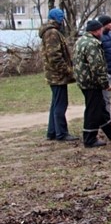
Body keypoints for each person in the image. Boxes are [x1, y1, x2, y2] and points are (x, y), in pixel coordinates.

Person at [74, 20, 111, 148]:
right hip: (91, 81)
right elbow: (97, 66)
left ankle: (110, 131)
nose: (102, 32)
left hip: (83, 79)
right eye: (101, 30)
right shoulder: (93, 44)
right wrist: (104, 83)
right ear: (96, 30)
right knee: (93, 109)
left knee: (100, 106)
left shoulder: (81, 40)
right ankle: (89, 138)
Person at [39, 8, 79, 142]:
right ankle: (61, 133)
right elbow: (54, 56)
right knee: (60, 104)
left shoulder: (51, 31)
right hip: (57, 76)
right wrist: (67, 70)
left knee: (56, 103)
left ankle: (52, 131)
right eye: (61, 18)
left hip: (55, 74)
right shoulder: (52, 33)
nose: (62, 20)